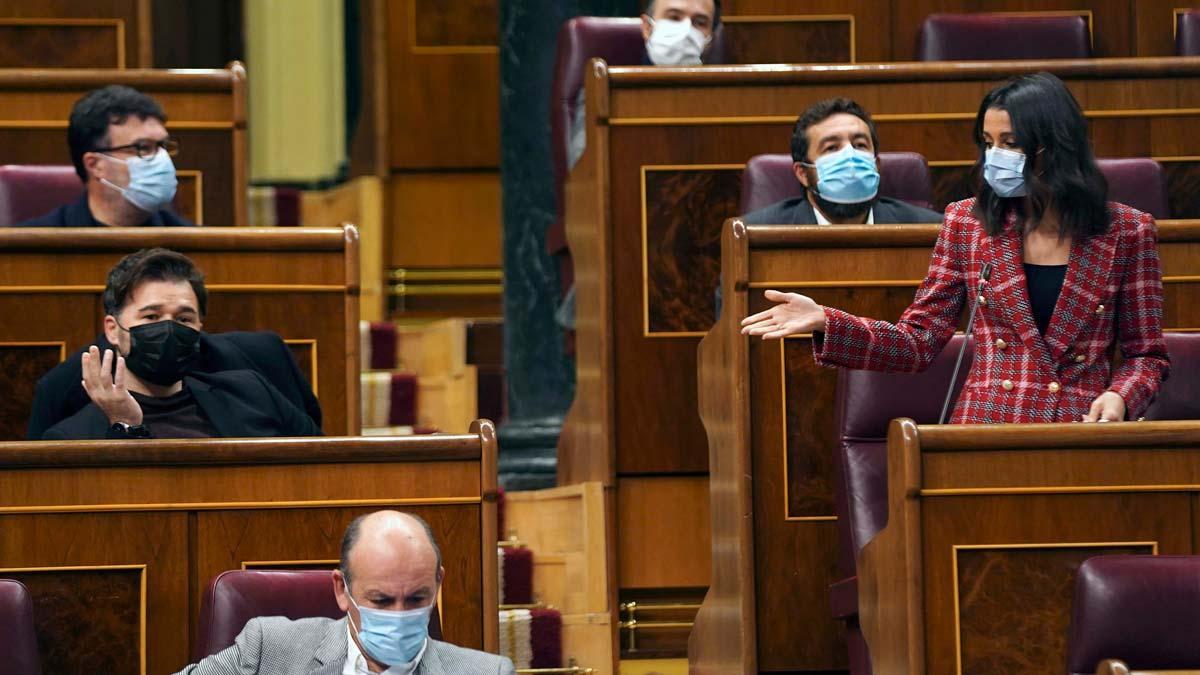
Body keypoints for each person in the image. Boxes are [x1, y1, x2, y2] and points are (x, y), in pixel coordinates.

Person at [741, 72, 1169, 423]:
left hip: (1082, 429)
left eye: (1010, 143)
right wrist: (826, 321)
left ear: (1055, 147)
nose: (994, 156)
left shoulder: (1127, 231)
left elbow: (1146, 355)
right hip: (985, 431)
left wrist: (1120, 397)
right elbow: (919, 341)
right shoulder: (969, 222)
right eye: (987, 142)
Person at [174, 511, 516, 675]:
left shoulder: (489, 673)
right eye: (380, 600)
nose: (398, 614)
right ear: (342, 590)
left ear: (438, 584)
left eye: (415, 599)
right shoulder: (270, 648)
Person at [556, 0, 721, 332]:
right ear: (647, 27)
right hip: (628, 255)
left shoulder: (733, 98)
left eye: (699, 22)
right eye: (674, 17)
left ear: (711, 37)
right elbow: (586, 176)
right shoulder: (607, 95)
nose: (686, 30)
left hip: (710, 259)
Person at [41, 248, 320, 439]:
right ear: (113, 330)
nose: (170, 328)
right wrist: (127, 426)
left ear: (200, 327)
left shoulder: (252, 392)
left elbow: (327, 467)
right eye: (151, 316)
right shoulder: (72, 435)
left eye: (184, 318)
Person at [16, 84, 196, 227]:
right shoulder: (32, 248)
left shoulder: (194, 245)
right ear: (95, 165)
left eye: (163, 146)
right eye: (143, 147)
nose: (161, 158)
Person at [742, 98, 943, 225]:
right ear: (803, 173)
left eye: (860, 145)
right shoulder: (754, 234)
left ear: (877, 165)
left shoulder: (932, 231)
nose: (850, 156)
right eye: (831, 148)